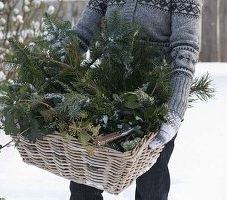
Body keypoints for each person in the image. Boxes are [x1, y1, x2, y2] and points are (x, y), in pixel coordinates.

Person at [69, 0, 203, 199]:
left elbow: (186, 48)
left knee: (151, 187)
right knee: (84, 184)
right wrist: (51, 65)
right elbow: (83, 32)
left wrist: (174, 112)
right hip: (107, 94)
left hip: (155, 101)